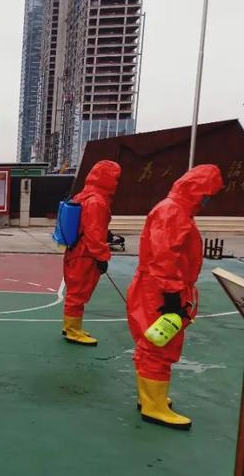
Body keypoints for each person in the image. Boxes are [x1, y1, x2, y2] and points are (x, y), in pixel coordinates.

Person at [127, 164, 223, 429]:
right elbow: (164, 256)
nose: (207, 200)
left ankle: (150, 397)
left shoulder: (176, 210)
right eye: (207, 194)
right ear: (197, 190)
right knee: (159, 345)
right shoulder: (173, 212)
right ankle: (153, 406)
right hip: (161, 288)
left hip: (159, 286)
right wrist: (171, 296)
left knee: (153, 341)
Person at [62, 160, 122, 345]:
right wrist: (102, 257)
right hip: (85, 254)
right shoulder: (96, 201)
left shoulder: (82, 196)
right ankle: (73, 331)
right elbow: (94, 233)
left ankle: (71, 326)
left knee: (75, 291)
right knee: (78, 293)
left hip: (75, 250)